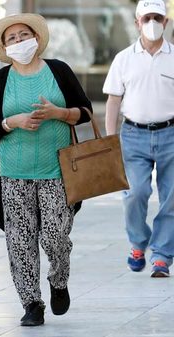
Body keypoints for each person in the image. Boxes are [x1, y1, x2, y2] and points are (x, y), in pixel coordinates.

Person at [0, 13, 92, 326]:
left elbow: (85, 112)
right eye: (12, 38)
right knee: (20, 239)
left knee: (56, 235)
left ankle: (58, 280)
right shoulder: (0, 80)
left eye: (23, 35)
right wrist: (11, 122)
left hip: (57, 169)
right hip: (12, 171)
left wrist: (59, 113)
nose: (19, 42)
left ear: (36, 38)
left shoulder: (58, 70)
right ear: (5, 47)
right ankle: (31, 303)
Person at [103, 0, 173, 278]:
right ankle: (138, 242)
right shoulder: (123, 58)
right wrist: (110, 140)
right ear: (137, 23)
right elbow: (113, 101)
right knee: (135, 193)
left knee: (171, 198)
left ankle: (162, 255)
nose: (152, 23)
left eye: (157, 17)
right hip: (133, 134)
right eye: (147, 18)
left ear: (166, 22)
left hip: (170, 133)